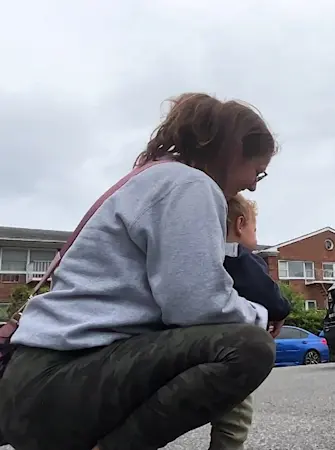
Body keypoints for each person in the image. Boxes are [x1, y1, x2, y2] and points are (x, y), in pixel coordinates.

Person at [0, 92, 282, 450]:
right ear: (234, 151)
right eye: (257, 171)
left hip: (38, 380)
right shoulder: (190, 185)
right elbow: (196, 304)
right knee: (248, 347)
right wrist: (258, 316)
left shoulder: (151, 178)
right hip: (56, 381)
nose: (254, 184)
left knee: (233, 335)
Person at [210, 193, 291, 450]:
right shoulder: (240, 258)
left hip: (199, 347)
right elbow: (269, 294)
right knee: (234, 417)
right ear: (240, 224)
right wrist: (281, 311)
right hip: (232, 353)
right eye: (255, 229)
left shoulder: (206, 256)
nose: (256, 236)